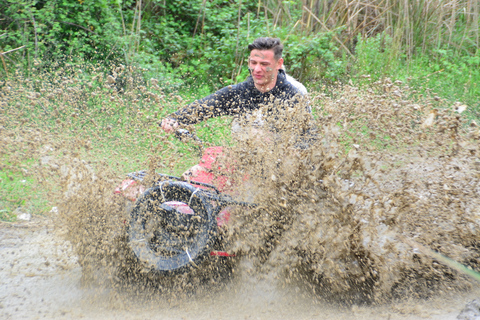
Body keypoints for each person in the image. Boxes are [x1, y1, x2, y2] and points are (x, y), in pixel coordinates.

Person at [160, 37, 309, 136]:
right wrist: (176, 119)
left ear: (279, 64)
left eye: (264, 64)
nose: (257, 69)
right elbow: (207, 105)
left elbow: (308, 139)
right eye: (253, 63)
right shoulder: (241, 91)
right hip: (242, 158)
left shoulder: (294, 95)